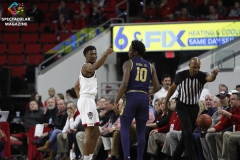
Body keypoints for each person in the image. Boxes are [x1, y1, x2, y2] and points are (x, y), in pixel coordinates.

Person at [164, 57, 219, 160]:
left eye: (198, 67)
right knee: (188, 131)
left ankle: (174, 158)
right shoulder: (180, 75)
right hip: (182, 106)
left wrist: (214, 75)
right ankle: (193, 157)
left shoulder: (201, 75)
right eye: (194, 67)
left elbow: (210, 78)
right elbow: (172, 88)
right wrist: (166, 100)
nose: (196, 69)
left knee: (186, 134)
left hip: (194, 107)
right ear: (189, 65)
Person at [113, 40, 160, 160]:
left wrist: (116, 100)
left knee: (124, 128)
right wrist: (147, 93)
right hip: (144, 98)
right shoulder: (151, 66)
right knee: (140, 132)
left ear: (135, 52)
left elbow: (124, 84)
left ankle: (127, 157)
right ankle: (139, 158)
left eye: (130, 49)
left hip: (131, 96)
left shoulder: (128, 63)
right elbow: (157, 87)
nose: (128, 51)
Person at [74, 45, 114, 160]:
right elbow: (96, 66)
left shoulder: (85, 70)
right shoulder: (87, 67)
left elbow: (76, 86)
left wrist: (81, 99)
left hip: (88, 100)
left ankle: (90, 157)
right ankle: (85, 158)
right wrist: (105, 55)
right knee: (89, 131)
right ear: (85, 55)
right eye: (91, 54)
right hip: (87, 100)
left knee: (96, 132)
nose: (94, 56)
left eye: (95, 54)